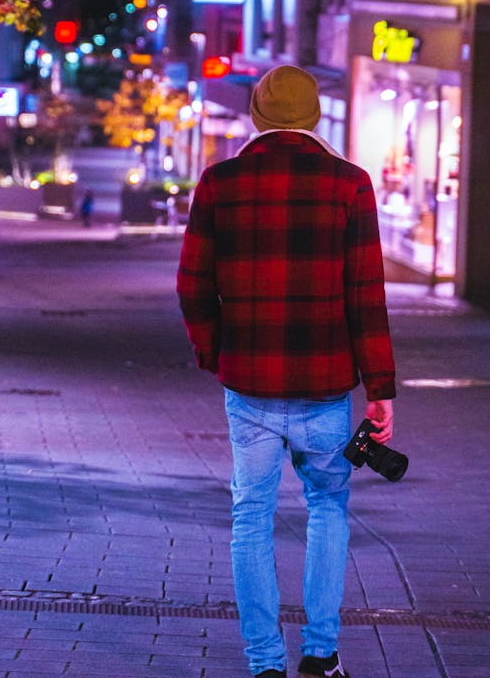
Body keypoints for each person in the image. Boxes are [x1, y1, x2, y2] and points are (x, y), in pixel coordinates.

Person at [177, 65, 396, 678]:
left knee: (252, 515)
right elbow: (367, 296)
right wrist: (379, 389)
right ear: (315, 117)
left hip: (248, 385)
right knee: (328, 506)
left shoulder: (219, 183)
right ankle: (320, 657)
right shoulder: (349, 184)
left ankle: (264, 663)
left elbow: (191, 286)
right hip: (326, 386)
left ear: (256, 115)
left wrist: (215, 353)